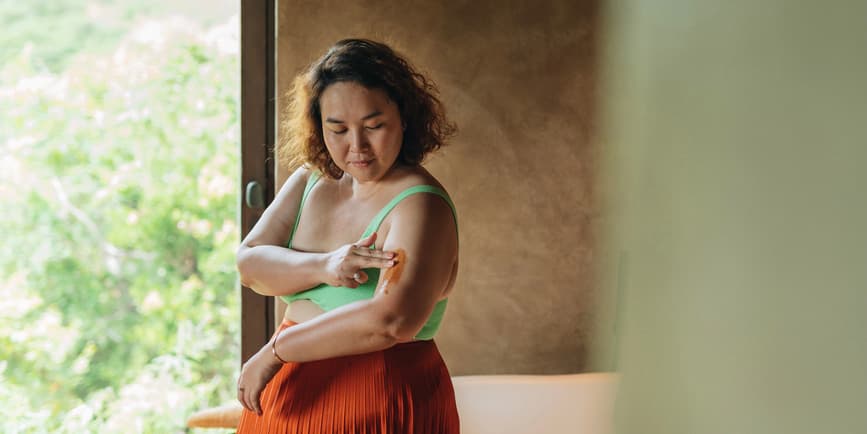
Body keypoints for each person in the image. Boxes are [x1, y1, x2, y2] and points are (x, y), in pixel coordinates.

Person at [234, 39, 460, 433]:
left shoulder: (420, 205)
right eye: (337, 129)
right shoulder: (310, 180)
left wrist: (276, 351)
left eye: (374, 126)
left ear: (404, 117)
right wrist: (325, 266)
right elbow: (249, 266)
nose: (357, 147)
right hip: (287, 395)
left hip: (376, 396)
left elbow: (390, 321)